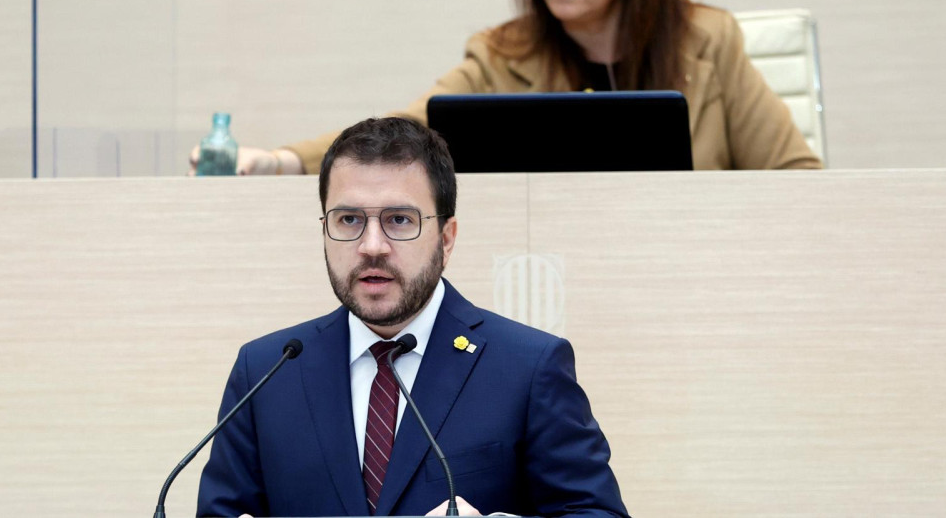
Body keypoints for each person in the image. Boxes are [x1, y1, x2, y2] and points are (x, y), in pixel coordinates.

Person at [197, 117, 628, 517]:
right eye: (348, 219)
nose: (371, 246)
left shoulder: (527, 366)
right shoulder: (267, 370)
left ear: (447, 238)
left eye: (399, 220)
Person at [192, 0, 821, 175]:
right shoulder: (501, 54)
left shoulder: (710, 43)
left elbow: (797, 180)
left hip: (690, 281)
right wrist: (281, 162)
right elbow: (404, 132)